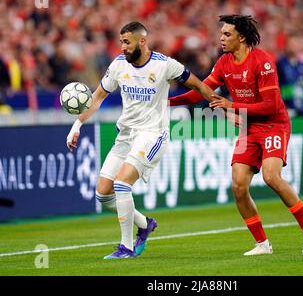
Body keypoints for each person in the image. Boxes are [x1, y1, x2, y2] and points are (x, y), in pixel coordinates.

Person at [169, 15, 303, 255]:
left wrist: (232, 106)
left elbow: (270, 106)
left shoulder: (263, 62)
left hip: (273, 125)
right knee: (239, 186)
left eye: (227, 34)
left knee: (271, 176)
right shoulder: (224, 63)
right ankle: (262, 244)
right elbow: (202, 90)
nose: (221, 38)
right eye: (221, 33)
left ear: (241, 37)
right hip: (248, 129)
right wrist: (166, 102)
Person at [66, 22, 216, 259]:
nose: (123, 47)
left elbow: (198, 85)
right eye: (121, 42)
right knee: (103, 195)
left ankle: (126, 247)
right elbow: (97, 98)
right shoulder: (117, 66)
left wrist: (225, 106)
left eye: (127, 42)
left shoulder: (165, 65)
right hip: (126, 135)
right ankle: (145, 224)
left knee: (122, 184)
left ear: (142, 42)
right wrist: (77, 125)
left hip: (152, 134)